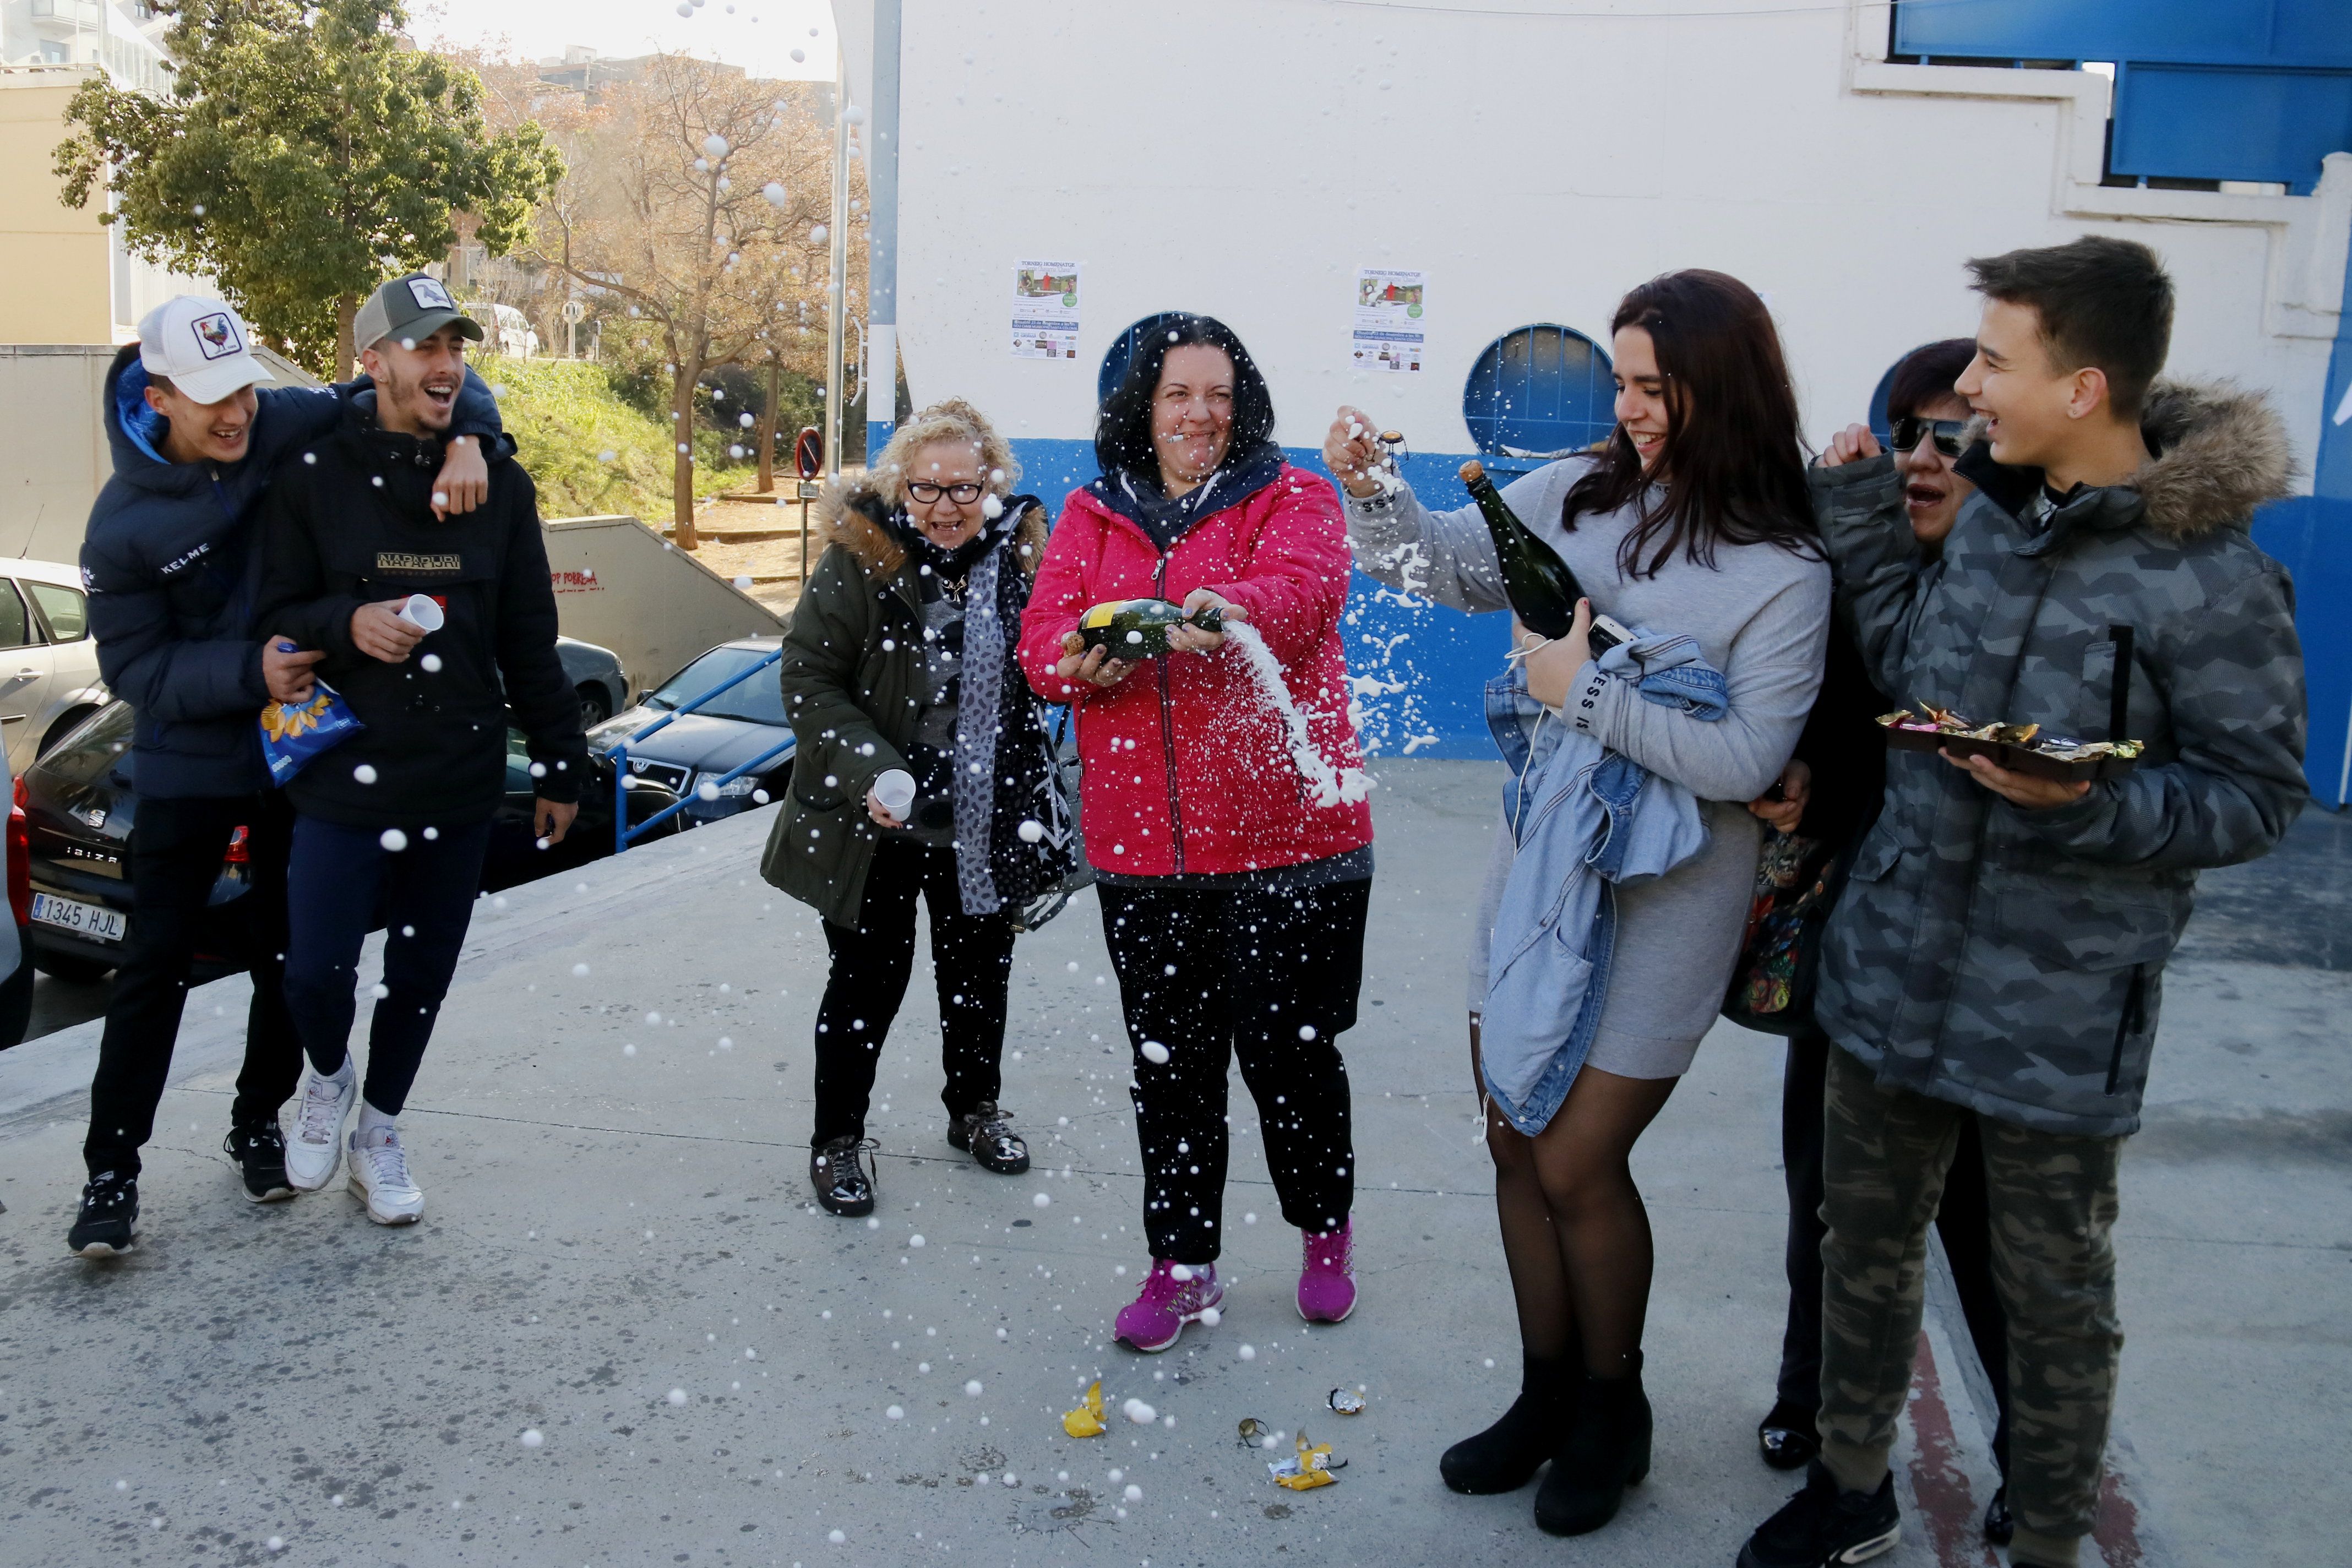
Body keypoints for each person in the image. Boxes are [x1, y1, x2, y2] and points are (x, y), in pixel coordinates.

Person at [1736, 237, 2305, 1568]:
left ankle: (2048, 1535)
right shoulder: (1993, 518)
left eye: (1998, 359)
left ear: (2087, 386)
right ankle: (1850, 1485)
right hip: (1889, 968)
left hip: (2058, 1007)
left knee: (2052, 1295)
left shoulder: (2216, 579)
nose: (1975, 387)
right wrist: (1869, 517)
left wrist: (2099, 807)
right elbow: (1910, 663)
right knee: (1861, 1246)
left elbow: (2260, 796)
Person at [1332, 269, 1830, 1536]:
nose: (1632, 405)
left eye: (1656, 385)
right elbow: (1437, 569)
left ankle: (1617, 1405)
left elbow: (1744, 761)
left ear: (1728, 385)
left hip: (1674, 888)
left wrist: (1582, 690)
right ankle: (1545, 1394)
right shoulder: (1581, 491)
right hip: (1545, 857)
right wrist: (1372, 485)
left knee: (1576, 1151)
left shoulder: (1782, 566)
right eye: (1623, 379)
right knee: (1511, 1136)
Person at [66, 294, 504, 1258]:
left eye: (246, 393)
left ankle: (260, 1119)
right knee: (152, 967)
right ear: (158, 394)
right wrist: (246, 672)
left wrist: (475, 436)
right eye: (212, 399)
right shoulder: (121, 525)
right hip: (193, 759)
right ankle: (112, 1169)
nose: (238, 417)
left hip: (299, 755)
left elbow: (413, 386)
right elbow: (135, 671)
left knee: (291, 958)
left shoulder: (281, 418)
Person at [1019, 313, 1374, 1352]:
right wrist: (1080, 660)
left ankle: (1322, 1235)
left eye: (1218, 394)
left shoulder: (1296, 495)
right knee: (1170, 1065)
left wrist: (1224, 607)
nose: (1201, 416)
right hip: (1145, 851)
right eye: (1179, 395)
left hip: (1293, 844)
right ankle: (1183, 1264)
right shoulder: (1091, 514)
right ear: (1142, 406)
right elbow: (1045, 643)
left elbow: (1303, 600)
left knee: (1291, 1056)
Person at [1743, 337, 2020, 1544]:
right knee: (1830, 1198)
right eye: (1905, 430)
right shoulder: (1853, 565)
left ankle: (2032, 1445)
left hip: (2001, 974)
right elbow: (1829, 719)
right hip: (1858, 957)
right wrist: (1799, 768)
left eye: (1952, 433)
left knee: (1988, 1227)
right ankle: (1814, 1402)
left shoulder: (2036, 589)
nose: (1922, 455)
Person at [251, 274, 584, 1227]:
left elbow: (529, 635)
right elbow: (275, 614)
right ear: (375, 360)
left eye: (456, 349)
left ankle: (380, 1131)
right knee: (312, 972)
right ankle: (326, 1078)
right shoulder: (312, 477)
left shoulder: (498, 485)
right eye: (425, 347)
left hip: (458, 776)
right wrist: (350, 622)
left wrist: (561, 762)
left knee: (421, 976)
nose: (445, 366)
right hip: (342, 778)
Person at [760, 398, 1069, 1217]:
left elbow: (1046, 667)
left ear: (992, 487)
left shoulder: (1020, 558)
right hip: (878, 818)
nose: (945, 508)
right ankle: (837, 1142)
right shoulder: (862, 559)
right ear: (901, 485)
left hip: (982, 815)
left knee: (979, 977)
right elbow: (809, 677)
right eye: (927, 489)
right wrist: (874, 767)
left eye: (964, 490)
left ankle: (973, 1112)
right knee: (867, 980)